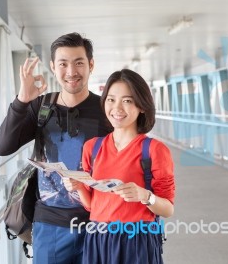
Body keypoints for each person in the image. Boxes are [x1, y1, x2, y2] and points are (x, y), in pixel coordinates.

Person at [0, 32, 112, 263]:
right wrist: (22, 101)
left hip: (98, 221)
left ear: (91, 65)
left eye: (79, 62)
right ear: (53, 66)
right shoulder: (42, 106)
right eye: (63, 64)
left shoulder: (105, 109)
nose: (71, 72)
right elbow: (3, 146)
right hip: (50, 224)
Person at [64, 69, 175, 264]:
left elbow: (167, 209)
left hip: (136, 240)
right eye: (111, 99)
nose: (117, 108)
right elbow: (93, 205)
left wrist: (145, 196)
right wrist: (79, 187)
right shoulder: (93, 147)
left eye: (127, 101)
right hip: (98, 237)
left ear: (142, 106)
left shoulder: (155, 150)